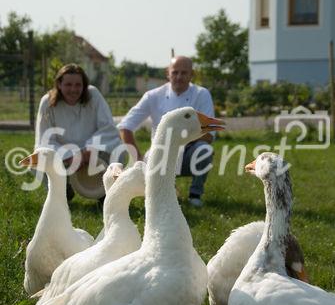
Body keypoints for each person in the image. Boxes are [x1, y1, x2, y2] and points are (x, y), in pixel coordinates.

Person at [118, 55, 215, 207]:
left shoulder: (202, 94)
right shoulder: (153, 96)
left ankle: (195, 194)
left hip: (190, 151)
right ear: (167, 73)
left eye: (184, 73)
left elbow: (209, 136)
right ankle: (158, 194)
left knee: (204, 150)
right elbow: (125, 126)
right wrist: (138, 159)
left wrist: (180, 141)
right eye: (175, 72)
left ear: (192, 74)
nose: (179, 77)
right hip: (159, 153)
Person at [35, 63, 122, 201]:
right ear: (59, 84)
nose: (73, 89)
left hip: (93, 151)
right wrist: (71, 156)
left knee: (118, 149)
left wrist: (88, 150)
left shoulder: (94, 95)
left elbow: (108, 128)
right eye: (68, 85)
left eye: (78, 85)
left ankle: (105, 193)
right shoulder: (47, 102)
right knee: (39, 159)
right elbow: (45, 140)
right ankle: (61, 192)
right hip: (63, 154)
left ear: (84, 85)